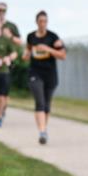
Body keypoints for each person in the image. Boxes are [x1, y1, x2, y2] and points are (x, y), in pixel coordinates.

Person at [23, 11, 66, 144]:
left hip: (50, 74)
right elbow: (28, 50)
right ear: (36, 22)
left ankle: (44, 130)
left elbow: (63, 56)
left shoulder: (53, 37)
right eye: (40, 21)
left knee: (46, 105)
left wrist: (48, 49)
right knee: (40, 102)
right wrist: (26, 55)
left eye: (45, 21)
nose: (43, 24)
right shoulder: (31, 36)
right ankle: (42, 132)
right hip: (35, 73)